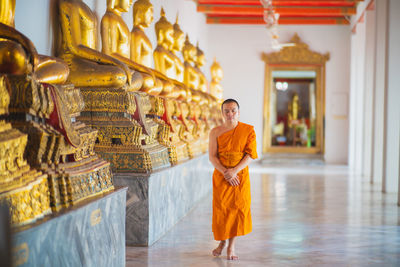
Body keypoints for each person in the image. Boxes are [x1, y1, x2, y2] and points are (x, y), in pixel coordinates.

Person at [208, 98, 258, 260]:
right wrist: (225, 172)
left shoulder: (248, 130)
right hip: (222, 176)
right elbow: (212, 157)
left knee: (237, 210)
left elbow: (250, 154)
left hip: (240, 176)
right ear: (222, 113)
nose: (230, 114)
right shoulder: (215, 132)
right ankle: (222, 242)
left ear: (239, 112)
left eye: (233, 110)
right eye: (227, 111)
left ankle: (231, 246)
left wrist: (234, 171)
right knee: (222, 211)